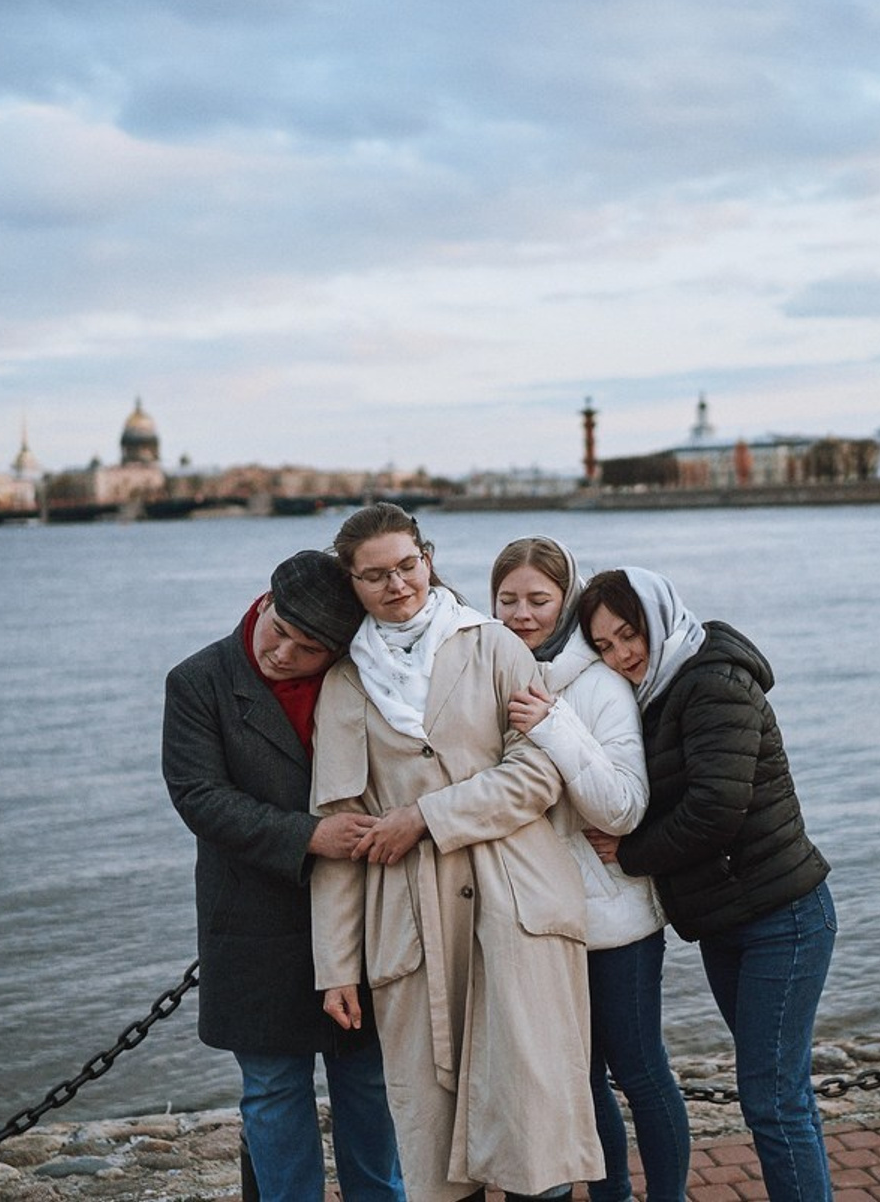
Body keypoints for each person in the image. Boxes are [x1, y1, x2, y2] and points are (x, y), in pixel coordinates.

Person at [310, 504, 604, 1202]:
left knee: (535, 1134)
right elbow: (341, 829)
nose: (397, 585)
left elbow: (538, 774)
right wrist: (336, 966)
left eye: (407, 565)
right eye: (375, 575)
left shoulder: (495, 646)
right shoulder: (345, 683)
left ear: (428, 558)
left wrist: (424, 817)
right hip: (410, 921)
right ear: (352, 583)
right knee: (436, 1152)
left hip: (515, 903)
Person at [577, 568, 836, 1202]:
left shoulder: (714, 683)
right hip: (728, 920)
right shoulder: (659, 691)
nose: (622, 655)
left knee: (772, 1101)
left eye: (630, 634)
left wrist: (631, 854)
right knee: (784, 1096)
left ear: (659, 619)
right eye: (604, 646)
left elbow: (717, 808)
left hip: (783, 918)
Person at [161, 550, 406, 1202]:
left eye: (307, 650)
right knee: (273, 1090)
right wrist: (309, 836)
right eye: (280, 632)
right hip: (252, 923)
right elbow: (199, 798)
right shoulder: (197, 681)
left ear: (336, 651)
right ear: (264, 601)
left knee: (369, 1084)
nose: (282, 654)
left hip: (358, 917)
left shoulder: (367, 678)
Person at [491, 537, 692, 1202]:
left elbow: (623, 808)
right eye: (508, 599)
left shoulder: (600, 684)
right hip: (538, 921)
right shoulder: (491, 678)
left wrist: (555, 727)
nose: (522, 614)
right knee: (580, 1079)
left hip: (614, 920)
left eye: (538, 599)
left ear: (568, 600)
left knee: (639, 1072)